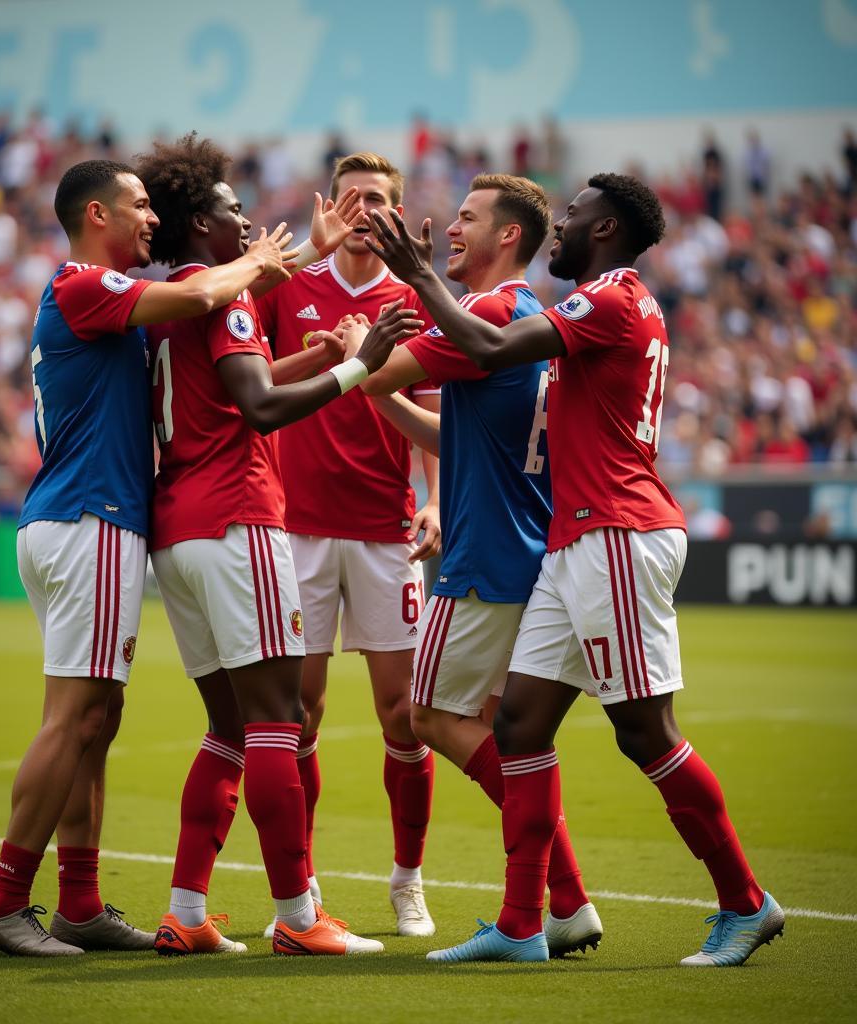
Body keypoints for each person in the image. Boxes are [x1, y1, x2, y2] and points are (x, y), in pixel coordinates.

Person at [367, 173, 783, 967]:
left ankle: (744, 901)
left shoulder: (615, 296)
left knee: (646, 734)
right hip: (573, 542)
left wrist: (420, 280)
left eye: (573, 215)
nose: (560, 226)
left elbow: (487, 346)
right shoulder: (590, 311)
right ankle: (526, 924)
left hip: (618, 534)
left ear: (608, 227)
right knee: (519, 726)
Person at [0, 159, 293, 957]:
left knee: (95, 720)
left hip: (76, 522)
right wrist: (261, 262)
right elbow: (197, 294)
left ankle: (79, 902)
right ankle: (6, 903)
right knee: (76, 719)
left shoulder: (103, 300)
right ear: (96, 214)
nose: (152, 218)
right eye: (139, 206)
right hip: (93, 522)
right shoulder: (83, 284)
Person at [135, 135, 419, 955]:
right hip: (238, 515)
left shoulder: (177, 297)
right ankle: (299, 916)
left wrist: (314, 354)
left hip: (179, 526)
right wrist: (356, 368)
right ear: (200, 222)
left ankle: (186, 912)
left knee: (227, 725)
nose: (249, 221)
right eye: (232, 210)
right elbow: (257, 408)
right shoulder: (219, 295)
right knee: (277, 720)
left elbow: (234, 387)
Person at [336, 174, 601, 957]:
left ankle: (559, 896)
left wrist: (356, 352)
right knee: (501, 732)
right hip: (527, 553)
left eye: (467, 218)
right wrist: (374, 386)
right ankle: (561, 902)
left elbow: (377, 372)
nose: (450, 229)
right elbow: (454, 437)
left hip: (482, 559)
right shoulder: (521, 319)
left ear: (509, 237)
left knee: (428, 717)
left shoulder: (486, 312)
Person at [254, 152, 441, 937]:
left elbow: (436, 403)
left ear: (395, 213)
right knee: (299, 715)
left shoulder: (416, 296)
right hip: (294, 528)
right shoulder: (289, 285)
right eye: (353, 196)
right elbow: (247, 379)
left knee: (405, 716)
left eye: (380, 199)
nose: (365, 209)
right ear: (332, 205)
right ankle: (303, 889)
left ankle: (408, 881)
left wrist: (435, 501)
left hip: (384, 530)